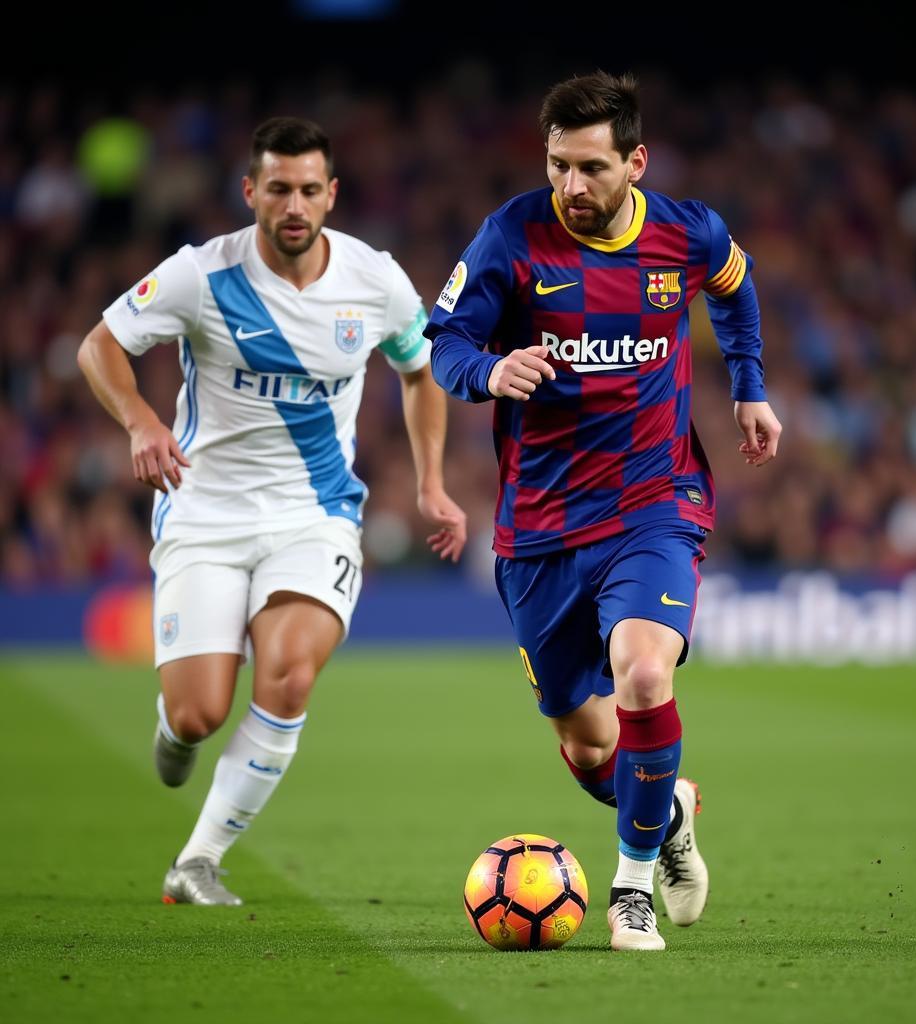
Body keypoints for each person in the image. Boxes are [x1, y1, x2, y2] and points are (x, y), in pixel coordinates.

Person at [426, 72, 781, 951]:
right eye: (557, 167)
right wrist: (489, 371)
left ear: (636, 161)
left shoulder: (686, 233)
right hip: (542, 526)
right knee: (590, 750)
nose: (571, 188)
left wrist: (748, 389)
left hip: (655, 500)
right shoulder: (512, 235)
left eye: (590, 168)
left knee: (645, 677)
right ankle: (673, 808)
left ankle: (628, 889)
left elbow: (736, 289)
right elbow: (445, 344)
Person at [78, 117, 466, 906]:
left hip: (314, 515)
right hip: (204, 515)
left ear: (332, 195)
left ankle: (198, 861)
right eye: (278, 188)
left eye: (309, 189)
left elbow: (422, 371)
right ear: (251, 191)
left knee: (288, 677)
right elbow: (99, 346)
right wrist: (143, 422)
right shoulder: (199, 276)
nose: (294, 204)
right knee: (198, 714)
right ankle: (174, 723)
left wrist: (429, 482)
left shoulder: (375, 280)